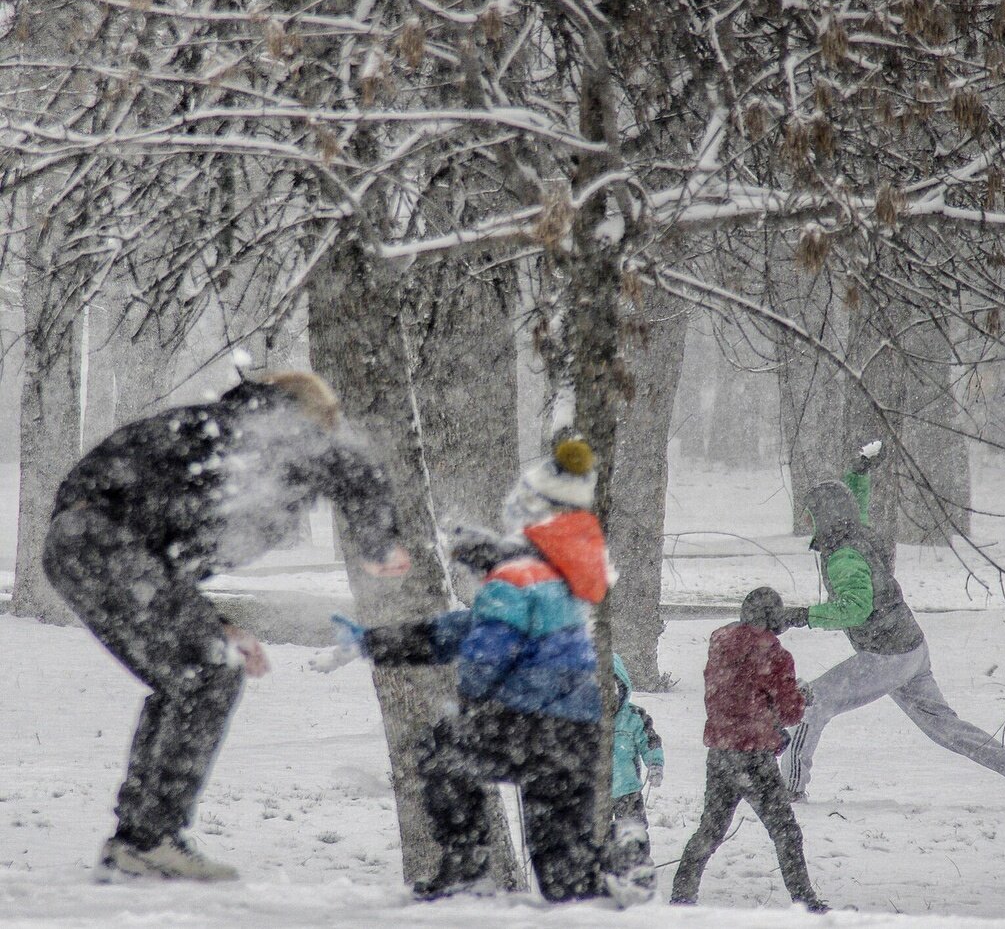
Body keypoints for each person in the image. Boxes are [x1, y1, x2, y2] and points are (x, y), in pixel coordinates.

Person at [42, 371, 409, 882]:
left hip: (82, 550)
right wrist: (379, 543)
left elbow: (159, 552)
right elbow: (350, 467)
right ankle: (149, 840)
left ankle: (138, 840)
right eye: (322, 425)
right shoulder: (254, 428)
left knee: (192, 675)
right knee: (210, 673)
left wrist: (220, 624)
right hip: (105, 546)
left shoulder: (216, 438)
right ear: (303, 417)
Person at [329, 438, 652, 906]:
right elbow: (458, 628)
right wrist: (374, 642)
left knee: (442, 750)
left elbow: (483, 657)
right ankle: (617, 867)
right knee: (563, 878)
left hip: (532, 726)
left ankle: (464, 863)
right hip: (579, 734)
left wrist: (468, 710)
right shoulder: (555, 575)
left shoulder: (512, 577)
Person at [780, 442, 1005, 811]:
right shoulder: (855, 532)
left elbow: (855, 608)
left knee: (811, 704)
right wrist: (859, 472)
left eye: (810, 514)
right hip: (911, 648)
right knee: (946, 728)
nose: (806, 521)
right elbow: (855, 502)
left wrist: (802, 616)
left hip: (885, 656)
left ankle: (789, 792)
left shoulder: (843, 556)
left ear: (826, 517)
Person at [671, 587, 826, 912]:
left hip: (720, 750)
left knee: (710, 830)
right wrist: (802, 696)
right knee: (786, 832)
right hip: (754, 755)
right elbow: (789, 712)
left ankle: (681, 898)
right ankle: (807, 905)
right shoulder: (775, 654)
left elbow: (733, 694)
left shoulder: (721, 642)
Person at [611, 653, 664, 858]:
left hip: (628, 790)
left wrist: (655, 763)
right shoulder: (585, 720)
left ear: (622, 688)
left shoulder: (634, 717)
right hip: (594, 791)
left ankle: (637, 865)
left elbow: (650, 741)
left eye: (613, 690)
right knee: (596, 836)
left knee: (634, 833)